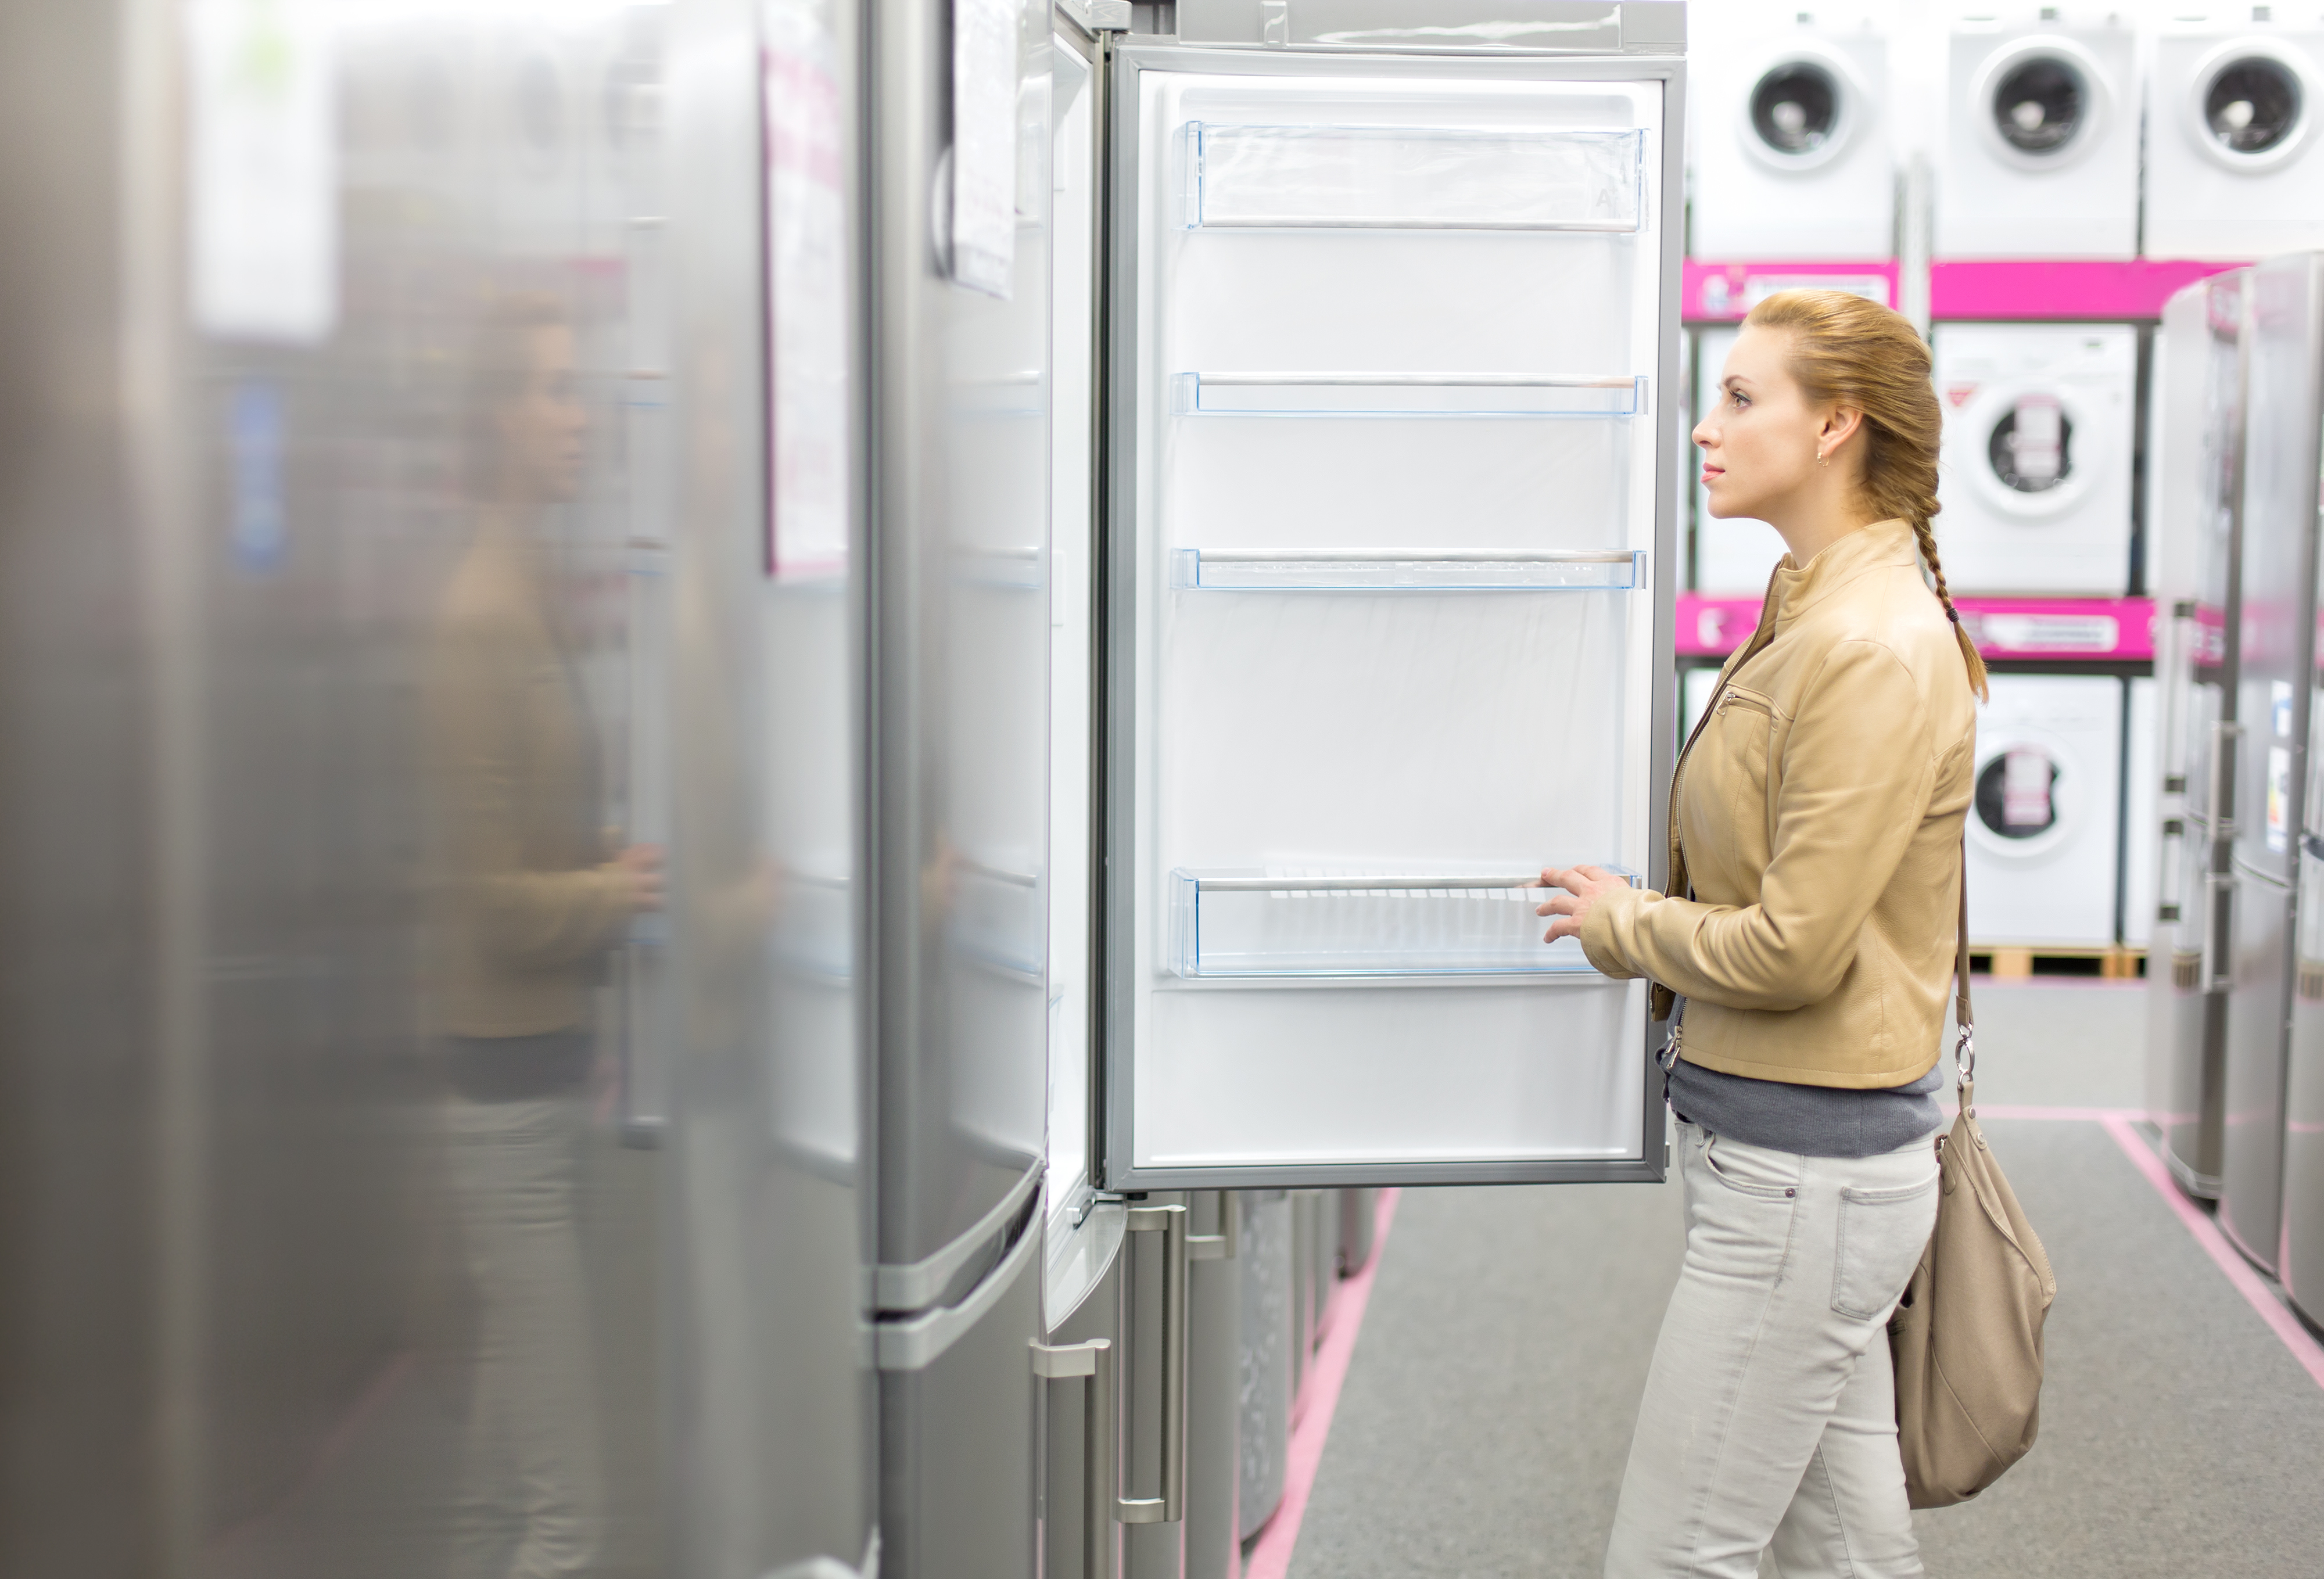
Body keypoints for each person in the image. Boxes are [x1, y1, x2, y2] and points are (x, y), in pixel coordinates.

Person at [1534, 289, 1988, 1579]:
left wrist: (1627, 924)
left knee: (1674, 1557)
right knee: (1841, 1550)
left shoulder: (1865, 647)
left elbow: (1796, 948)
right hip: (1799, 1165)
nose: (1701, 429)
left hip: (1807, 1182)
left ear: (1835, 423)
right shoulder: (1817, 606)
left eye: (1739, 398)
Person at [425, 292, 661, 1579]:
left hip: (545, 1079)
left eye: (580, 388)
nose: (578, 418)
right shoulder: (479, 616)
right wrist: (616, 895)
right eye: (551, 391)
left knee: (498, 1498)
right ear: (495, 417)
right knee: (568, 1514)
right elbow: (491, 901)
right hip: (505, 1108)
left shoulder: (526, 592)